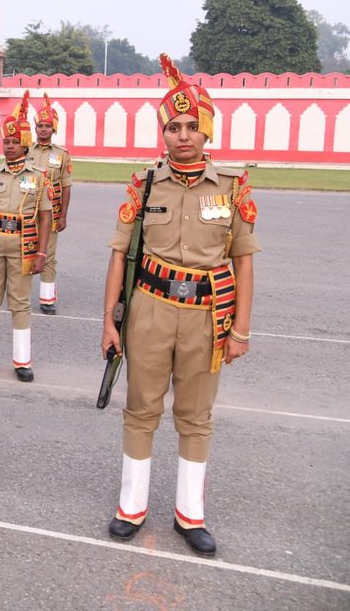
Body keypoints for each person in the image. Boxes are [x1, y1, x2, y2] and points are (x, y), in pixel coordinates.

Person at [102, 55, 259, 557]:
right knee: (141, 409)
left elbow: (244, 261)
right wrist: (110, 320)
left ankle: (190, 514)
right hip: (149, 308)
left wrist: (241, 330)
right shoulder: (143, 185)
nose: (184, 135)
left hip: (207, 316)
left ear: (207, 131)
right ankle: (133, 506)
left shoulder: (233, 188)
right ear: (162, 134)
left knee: (196, 415)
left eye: (192, 126)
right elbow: (120, 255)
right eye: (174, 127)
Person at [0, 91, 50, 383]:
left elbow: (45, 215)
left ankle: (22, 361)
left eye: (16, 143)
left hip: (22, 244)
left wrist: (42, 253)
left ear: (25, 145)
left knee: (20, 302)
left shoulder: (39, 176)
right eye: (7, 142)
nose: (11, 147)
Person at [30, 93, 72, 314]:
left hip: (52, 212)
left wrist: (64, 215)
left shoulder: (62, 154)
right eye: (40, 126)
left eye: (47, 126)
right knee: (23, 252)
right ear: (35, 129)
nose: (44, 129)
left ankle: (47, 298)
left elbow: (66, 185)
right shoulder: (25, 150)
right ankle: (19, 294)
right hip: (26, 211)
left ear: (54, 129)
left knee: (48, 255)